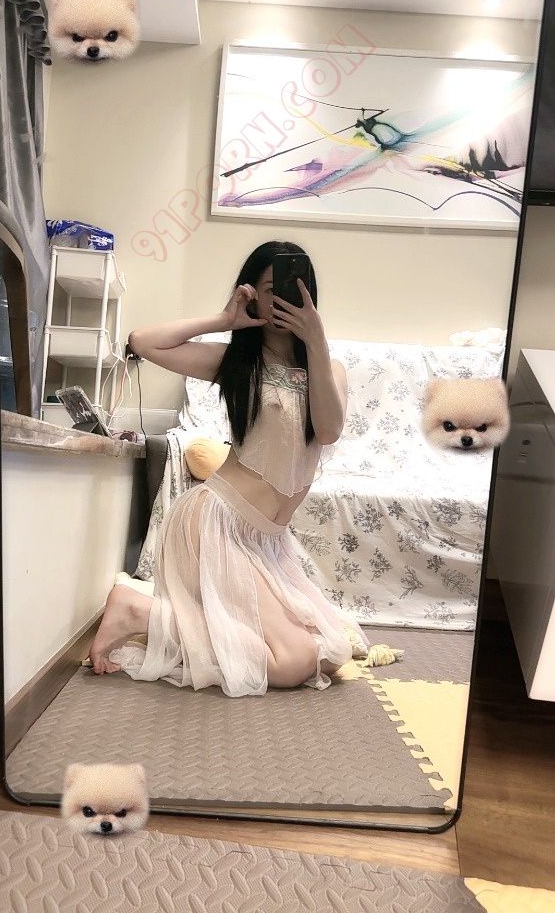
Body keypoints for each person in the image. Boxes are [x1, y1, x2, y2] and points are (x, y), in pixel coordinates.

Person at [88, 240, 370, 696]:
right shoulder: (237, 363)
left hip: (266, 541)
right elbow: (143, 342)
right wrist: (223, 321)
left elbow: (329, 429)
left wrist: (316, 339)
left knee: (330, 651)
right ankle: (137, 611)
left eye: (293, 288)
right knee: (292, 663)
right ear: (251, 294)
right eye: (270, 289)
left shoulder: (329, 368)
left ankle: (173, 619)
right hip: (216, 525)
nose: (282, 299)